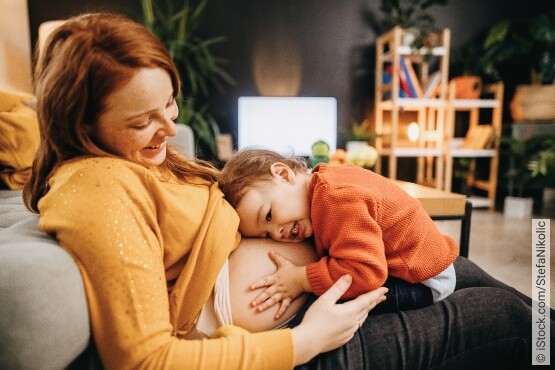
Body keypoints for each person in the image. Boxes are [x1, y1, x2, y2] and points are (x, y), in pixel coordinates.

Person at [23, 11, 545, 370]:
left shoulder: (141, 161)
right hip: (304, 342)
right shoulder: (97, 188)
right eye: (143, 121)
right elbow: (145, 359)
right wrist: (302, 341)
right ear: (82, 124)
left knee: (468, 270)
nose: (168, 127)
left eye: (171, 104)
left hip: (324, 290)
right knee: (505, 321)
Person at [218, 148, 457, 318]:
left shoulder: (335, 201)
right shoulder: (322, 183)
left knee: (331, 304)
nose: (277, 234)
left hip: (422, 279)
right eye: (266, 236)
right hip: (420, 262)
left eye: (269, 216)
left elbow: (366, 272)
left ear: (283, 174)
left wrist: (301, 279)